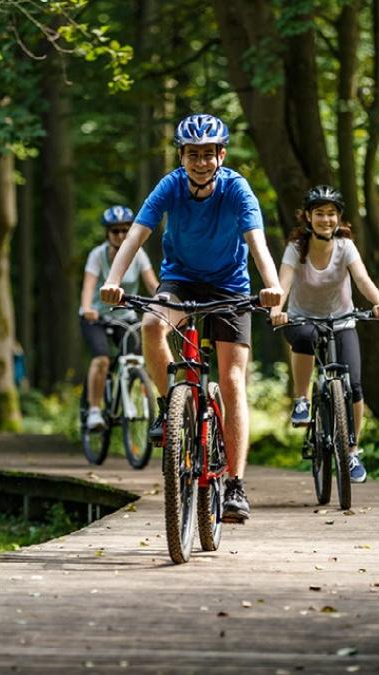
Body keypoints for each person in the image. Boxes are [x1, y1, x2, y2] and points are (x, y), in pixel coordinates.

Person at [100, 113, 283, 523]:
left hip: (229, 287)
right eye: (192, 154)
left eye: (207, 154)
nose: (200, 162)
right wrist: (113, 280)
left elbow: (258, 243)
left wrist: (271, 287)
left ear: (222, 155)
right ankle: (171, 408)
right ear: (181, 156)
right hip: (179, 281)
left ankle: (234, 484)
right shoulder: (170, 186)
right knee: (151, 325)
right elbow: (136, 236)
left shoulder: (237, 189)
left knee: (231, 379)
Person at [269, 185, 379, 483]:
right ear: (308, 218)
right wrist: (277, 309)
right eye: (320, 214)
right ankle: (301, 399)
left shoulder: (345, 247)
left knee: (356, 386)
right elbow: (283, 283)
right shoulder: (296, 249)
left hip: (341, 320)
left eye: (332, 214)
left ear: (339, 218)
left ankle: (351, 451)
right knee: (304, 337)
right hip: (302, 319)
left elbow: (361, 278)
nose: (326, 219)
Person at [80, 205, 159, 431]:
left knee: (138, 359)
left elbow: (152, 284)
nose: (121, 235)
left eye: (126, 230)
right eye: (115, 231)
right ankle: (95, 410)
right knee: (102, 359)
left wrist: (162, 300)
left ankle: (138, 399)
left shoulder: (139, 254)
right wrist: (87, 308)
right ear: (108, 233)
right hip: (96, 317)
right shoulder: (97, 255)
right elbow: (88, 287)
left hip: (125, 316)